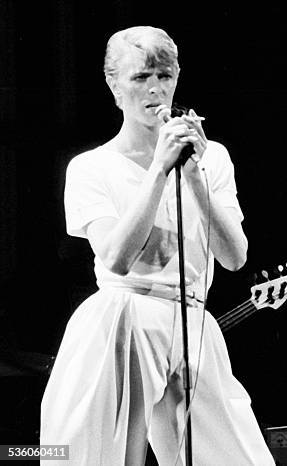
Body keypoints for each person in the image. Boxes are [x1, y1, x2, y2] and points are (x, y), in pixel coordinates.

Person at [40, 26, 275, 465]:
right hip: (124, 316)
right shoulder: (91, 167)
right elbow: (116, 257)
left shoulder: (211, 158)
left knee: (239, 457)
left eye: (165, 76)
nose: (156, 88)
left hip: (192, 320)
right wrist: (159, 170)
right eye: (141, 77)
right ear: (114, 87)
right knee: (104, 455)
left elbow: (235, 256)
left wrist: (192, 173)